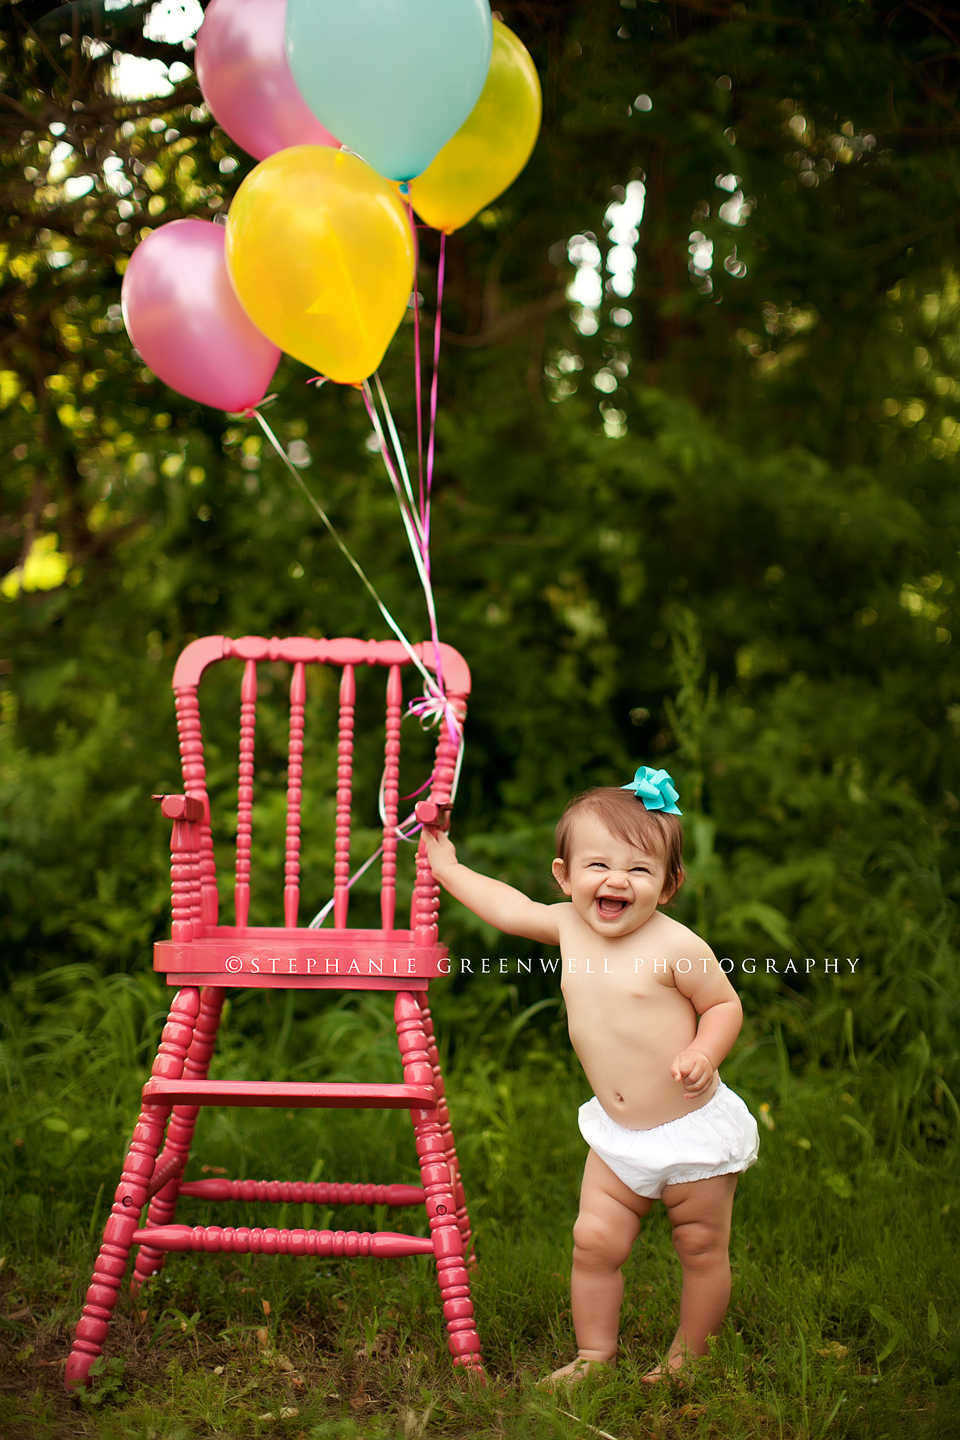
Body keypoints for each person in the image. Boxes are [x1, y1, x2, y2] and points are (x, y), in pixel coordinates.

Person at [422, 766, 759, 1385]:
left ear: (669, 884)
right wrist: (448, 869)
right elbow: (509, 907)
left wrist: (706, 1054)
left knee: (700, 1247)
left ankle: (687, 1360)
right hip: (618, 1135)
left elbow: (723, 1005)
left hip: (689, 1129)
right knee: (594, 1242)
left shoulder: (676, 945)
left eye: (638, 869)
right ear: (566, 877)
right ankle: (594, 1355)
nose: (616, 881)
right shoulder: (567, 925)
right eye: (598, 865)